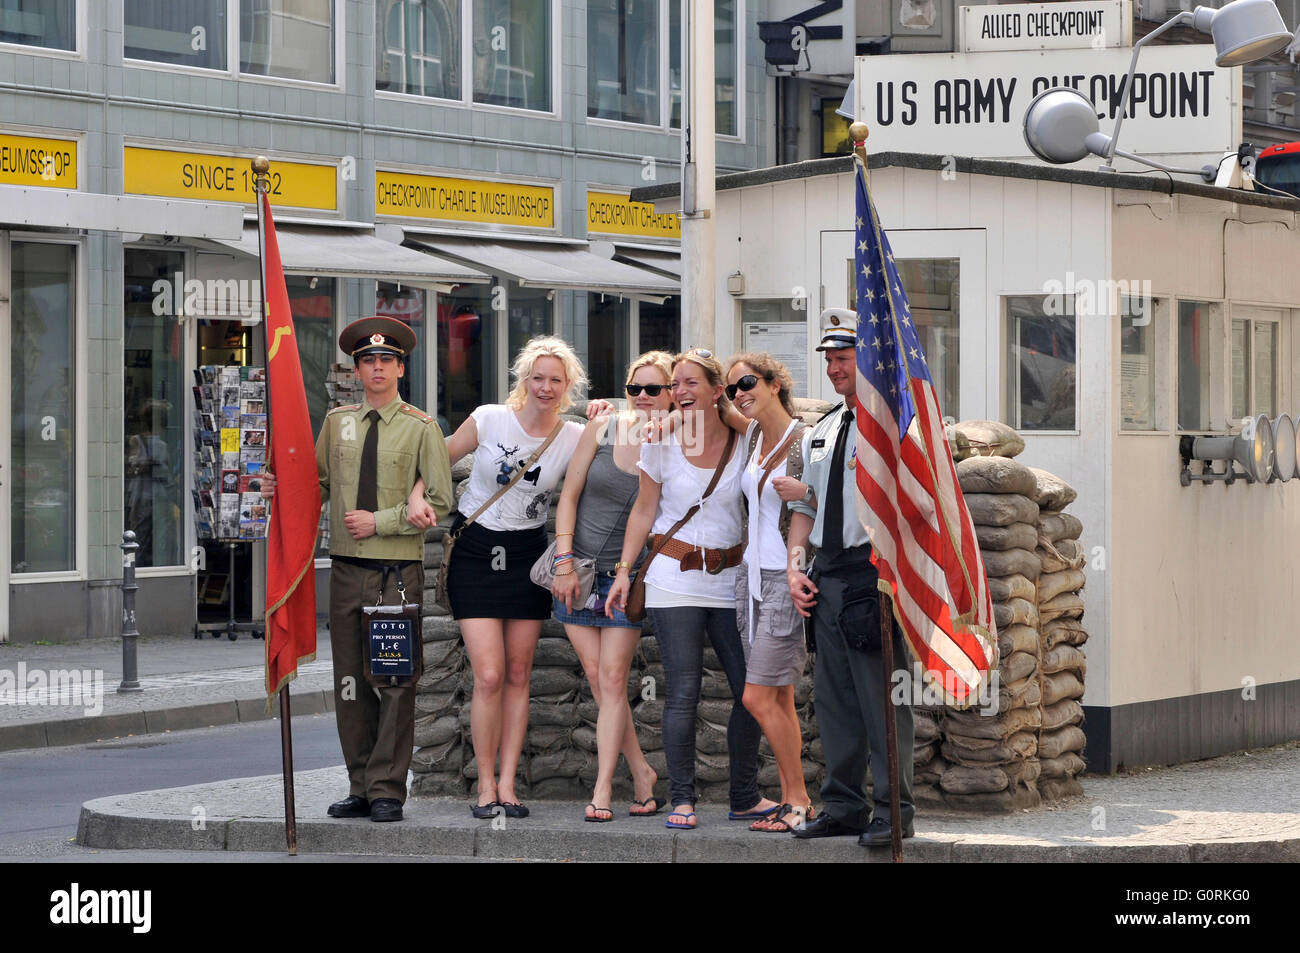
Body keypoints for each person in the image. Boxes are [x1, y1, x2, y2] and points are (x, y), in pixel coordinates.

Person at [264, 315, 453, 823]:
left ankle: (389, 788)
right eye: (368, 361)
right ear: (356, 369)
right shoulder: (337, 423)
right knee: (348, 681)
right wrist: (279, 492)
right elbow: (317, 485)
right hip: (346, 569)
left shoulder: (421, 428)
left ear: (400, 368)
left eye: (385, 361)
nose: (376, 368)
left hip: (395, 571)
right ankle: (360, 785)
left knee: (392, 680)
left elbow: (442, 500)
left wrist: (384, 520)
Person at [607, 349, 779, 831]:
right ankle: (683, 799)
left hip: (729, 577)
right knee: (683, 690)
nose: (678, 391)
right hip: (671, 576)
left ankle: (744, 795)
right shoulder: (657, 442)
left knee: (750, 689)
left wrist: (726, 412)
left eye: (689, 383)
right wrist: (624, 570)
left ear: (714, 389)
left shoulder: (743, 436)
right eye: (674, 383)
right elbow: (644, 509)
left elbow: (773, 433)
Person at [440, 336, 587, 820]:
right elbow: (438, 456)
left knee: (520, 674)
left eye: (556, 381)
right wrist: (417, 496)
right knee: (489, 674)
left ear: (568, 387)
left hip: (527, 552)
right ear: (524, 379)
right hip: (477, 548)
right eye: (538, 377)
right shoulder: (489, 418)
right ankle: (484, 784)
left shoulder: (572, 435)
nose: (545, 387)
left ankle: (508, 783)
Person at [786, 309, 915, 848]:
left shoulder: (896, 426)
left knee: (883, 698)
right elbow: (811, 506)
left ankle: (894, 811)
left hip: (873, 576)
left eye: (844, 357)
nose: (835, 367)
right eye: (830, 359)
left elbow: (920, 504)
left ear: (870, 359)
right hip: (828, 576)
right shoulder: (825, 429)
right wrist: (796, 564)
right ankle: (843, 805)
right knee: (835, 700)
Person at [551, 351, 675, 822]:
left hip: (629, 577)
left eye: (653, 389)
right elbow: (569, 495)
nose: (642, 398)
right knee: (603, 685)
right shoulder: (602, 428)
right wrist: (563, 561)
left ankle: (602, 790)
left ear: (671, 394)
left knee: (612, 679)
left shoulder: (679, 440)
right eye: (634, 389)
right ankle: (641, 772)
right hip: (578, 573)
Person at [724, 353, 815, 833]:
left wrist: (796, 571)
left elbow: (823, 502)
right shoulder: (754, 433)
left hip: (783, 577)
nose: (739, 392)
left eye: (747, 382)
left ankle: (798, 798)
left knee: (756, 697)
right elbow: (696, 399)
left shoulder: (805, 442)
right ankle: (791, 801)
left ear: (775, 382)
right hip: (749, 577)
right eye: (732, 387)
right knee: (777, 697)